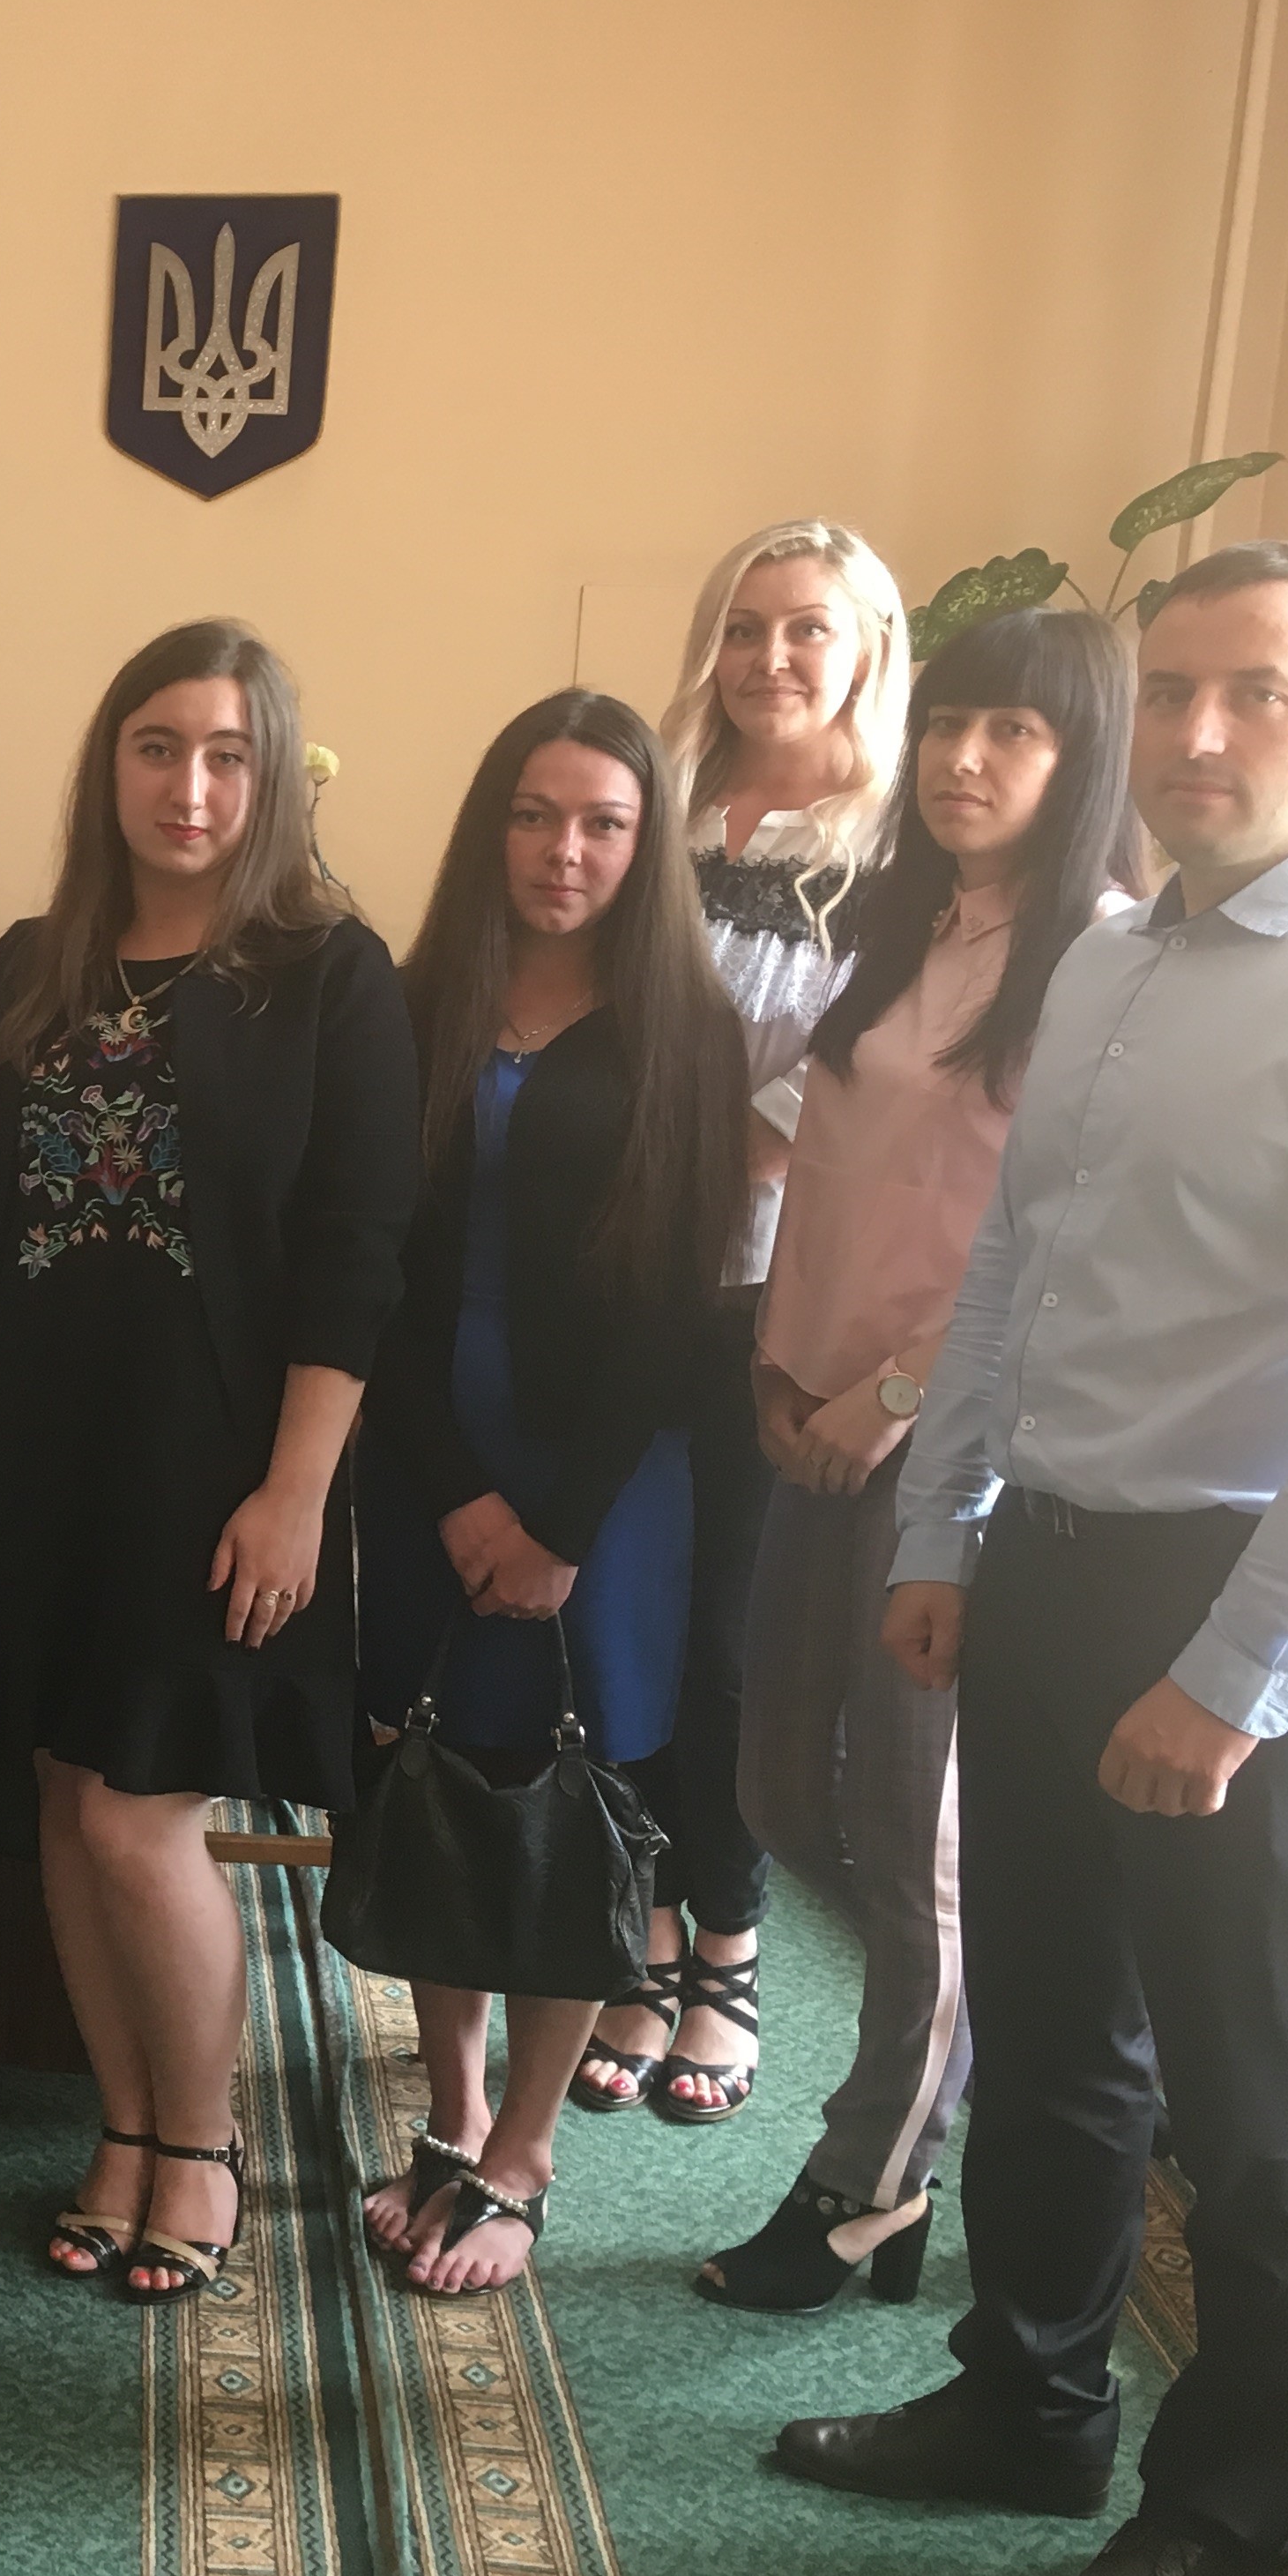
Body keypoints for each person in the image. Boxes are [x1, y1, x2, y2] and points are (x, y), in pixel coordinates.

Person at [778, 541, 1288, 2576]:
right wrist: (947, 1530)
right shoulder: (1110, 959)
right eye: (1172, 689)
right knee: (1050, 2026)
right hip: (1050, 1563)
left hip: (1255, 1596)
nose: (1198, 732)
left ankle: (1225, 2522)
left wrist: (1236, 1675)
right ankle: (1029, 2401)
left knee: (1251, 2096)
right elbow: (1015, 1269)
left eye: (1257, 693)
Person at [0, 621, 416, 2303]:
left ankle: (204, 2142)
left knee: (142, 1813)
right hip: (43, 1456)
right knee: (67, 1801)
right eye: (158, 748)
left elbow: (358, 1252)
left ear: (274, 776)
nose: (192, 786)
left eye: (229, 754)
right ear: (112, 766)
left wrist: (297, 1494)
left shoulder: (330, 976)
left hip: (213, 1464)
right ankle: (126, 2124)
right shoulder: (30, 964)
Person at [696, 607, 1144, 2314]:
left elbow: (1049, 1245)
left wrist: (885, 1399)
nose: (964, 760)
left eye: (1013, 731)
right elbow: (824, 1171)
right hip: (807, 1408)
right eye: (949, 722)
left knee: (910, 1831)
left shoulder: (1100, 960)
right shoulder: (906, 925)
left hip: (946, 1451)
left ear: (1079, 758)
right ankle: (935, 2076)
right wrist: (777, 1370)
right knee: (775, 1791)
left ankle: (872, 2174)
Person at [353, 689, 746, 2294]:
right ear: (489, 828)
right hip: (425, 1464)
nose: (563, 851)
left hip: (606, 1488)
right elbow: (373, 1267)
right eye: (533, 815)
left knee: (575, 1802)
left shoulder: (688, 1032)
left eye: (602, 823)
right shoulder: (411, 1001)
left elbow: (672, 1311)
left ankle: (524, 2149)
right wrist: (454, 1494)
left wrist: (561, 1527)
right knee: (435, 1773)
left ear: (647, 846)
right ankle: (452, 2114)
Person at [573, 520, 910, 2127]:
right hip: (624, 1270)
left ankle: (727, 1947)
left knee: (730, 1639)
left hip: (773, 1288)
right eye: (746, 626)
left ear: (868, 650)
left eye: (808, 629)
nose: (773, 657)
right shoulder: (664, 800)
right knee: (619, 1614)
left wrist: (719, 1157)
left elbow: (860, 1070)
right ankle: (638, 1933)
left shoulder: (901, 839)